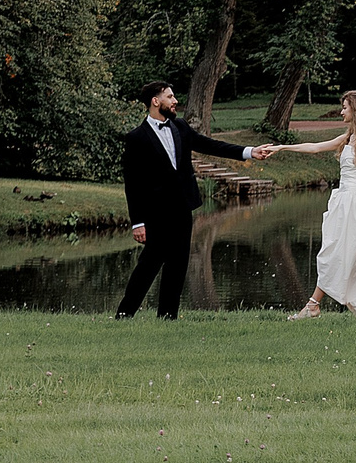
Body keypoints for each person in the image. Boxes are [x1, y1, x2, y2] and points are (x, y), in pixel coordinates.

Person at [115, 80, 277, 320]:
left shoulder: (180, 127)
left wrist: (249, 151)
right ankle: (124, 315)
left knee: (178, 265)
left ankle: (168, 317)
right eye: (170, 96)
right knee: (148, 265)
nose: (175, 101)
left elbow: (211, 145)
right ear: (155, 101)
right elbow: (133, 184)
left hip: (182, 208)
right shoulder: (136, 138)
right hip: (155, 213)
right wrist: (137, 222)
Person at [267, 90, 356, 319]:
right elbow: (316, 147)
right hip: (342, 202)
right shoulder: (348, 137)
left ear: (355, 110)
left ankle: (313, 305)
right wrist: (281, 148)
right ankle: (314, 305)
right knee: (337, 253)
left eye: (345, 107)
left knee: (347, 255)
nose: (341, 111)